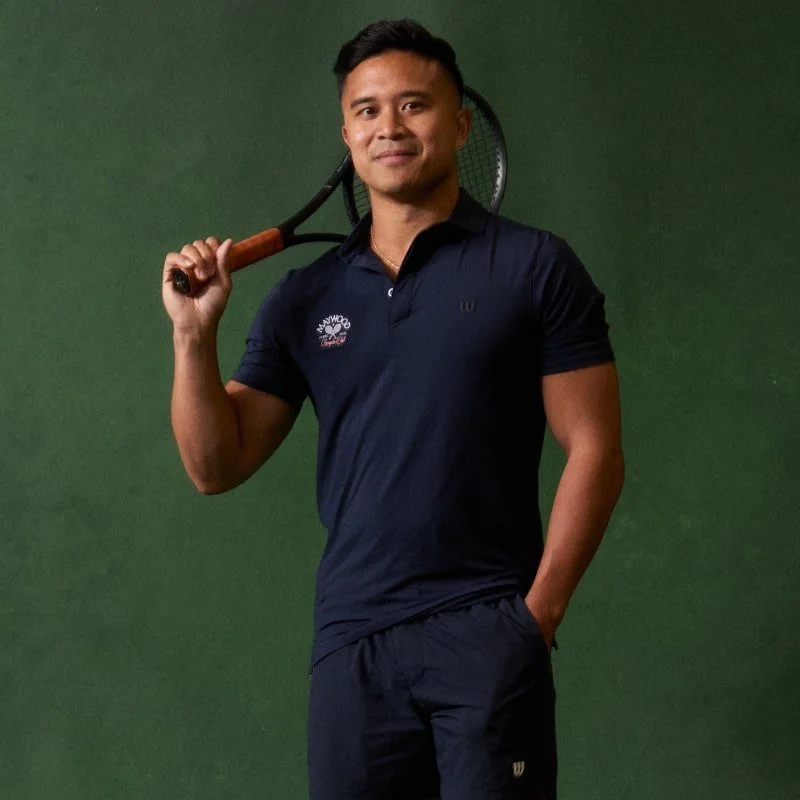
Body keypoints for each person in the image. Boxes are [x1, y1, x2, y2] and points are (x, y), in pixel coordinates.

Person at [162, 18, 624, 800]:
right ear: (346, 132)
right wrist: (192, 337)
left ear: (460, 123)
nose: (390, 127)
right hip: (352, 648)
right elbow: (216, 465)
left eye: (414, 105)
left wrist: (534, 617)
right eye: (369, 110)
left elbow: (596, 450)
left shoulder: (534, 266)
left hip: (487, 630)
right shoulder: (305, 297)